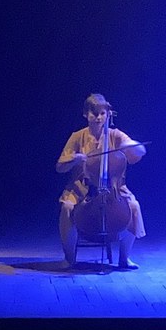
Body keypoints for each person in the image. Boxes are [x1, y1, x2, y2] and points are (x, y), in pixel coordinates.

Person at [56, 93, 146, 269]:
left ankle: (124, 258)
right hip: (82, 189)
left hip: (114, 189)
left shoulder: (115, 135)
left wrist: (131, 146)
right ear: (85, 114)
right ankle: (69, 258)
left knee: (134, 206)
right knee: (67, 207)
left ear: (107, 115)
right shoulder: (77, 137)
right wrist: (74, 158)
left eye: (102, 114)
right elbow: (59, 167)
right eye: (94, 113)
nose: (98, 118)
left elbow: (140, 152)